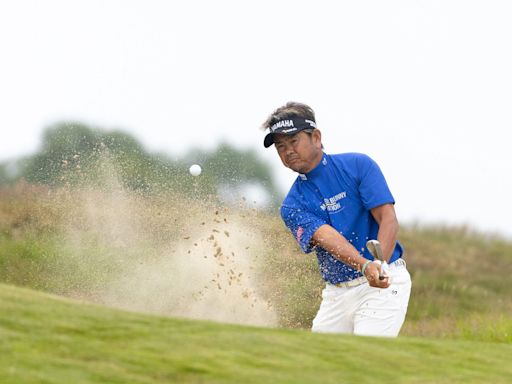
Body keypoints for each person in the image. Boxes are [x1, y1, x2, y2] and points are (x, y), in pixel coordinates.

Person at [262, 102, 411, 337]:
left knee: (365, 357)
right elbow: (327, 238)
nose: (287, 151)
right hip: (337, 294)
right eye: (280, 146)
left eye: (293, 141)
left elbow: (388, 218)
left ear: (316, 137)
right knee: (320, 365)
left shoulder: (358, 166)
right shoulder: (292, 205)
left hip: (384, 283)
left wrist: (379, 266)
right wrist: (364, 265)